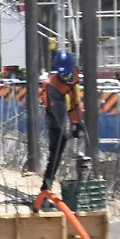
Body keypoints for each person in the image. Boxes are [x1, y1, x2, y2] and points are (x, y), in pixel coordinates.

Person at [41, 50, 84, 195]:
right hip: (56, 123)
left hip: (74, 116)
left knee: (86, 151)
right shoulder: (53, 87)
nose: (66, 77)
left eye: (67, 73)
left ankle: (84, 185)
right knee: (55, 155)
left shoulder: (75, 73)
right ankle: (46, 188)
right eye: (62, 74)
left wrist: (78, 122)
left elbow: (75, 99)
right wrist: (71, 131)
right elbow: (61, 116)